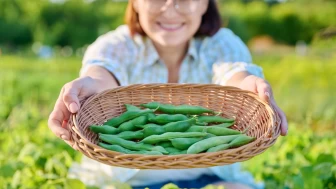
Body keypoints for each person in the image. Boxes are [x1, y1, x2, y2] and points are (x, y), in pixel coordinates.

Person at [48, 0, 288, 188]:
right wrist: (90, 84)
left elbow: (234, 74)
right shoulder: (115, 44)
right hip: (123, 180)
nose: (170, 8)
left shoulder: (221, 44)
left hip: (209, 176)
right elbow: (103, 75)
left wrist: (249, 85)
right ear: (135, 2)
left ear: (205, 3)